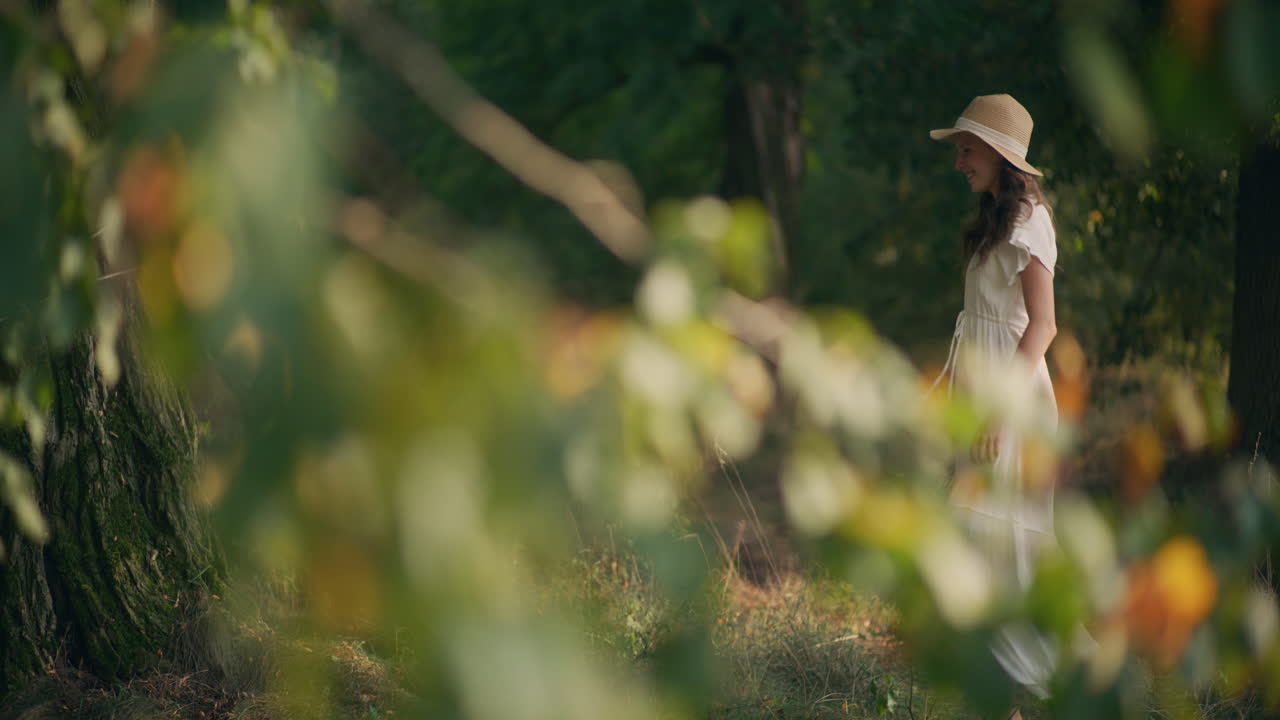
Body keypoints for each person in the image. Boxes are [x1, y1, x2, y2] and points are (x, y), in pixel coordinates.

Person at [929, 94, 1060, 713]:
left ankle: (1052, 689)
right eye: (959, 150)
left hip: (1010, 402)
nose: (959, 162)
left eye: (966, 149)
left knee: (1009, 550)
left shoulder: (1029, 222)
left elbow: (1043, 328)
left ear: (1001, 156)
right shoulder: (993, 221)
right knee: (975, 546)